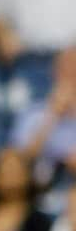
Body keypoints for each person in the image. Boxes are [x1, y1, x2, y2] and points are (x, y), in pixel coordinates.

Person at [10, 48, 76, 191]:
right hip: (43, 191)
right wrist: (52, 116)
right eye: (65, 68)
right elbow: (20, 160)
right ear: (54, 72)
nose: (70, 74)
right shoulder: (32, 113)